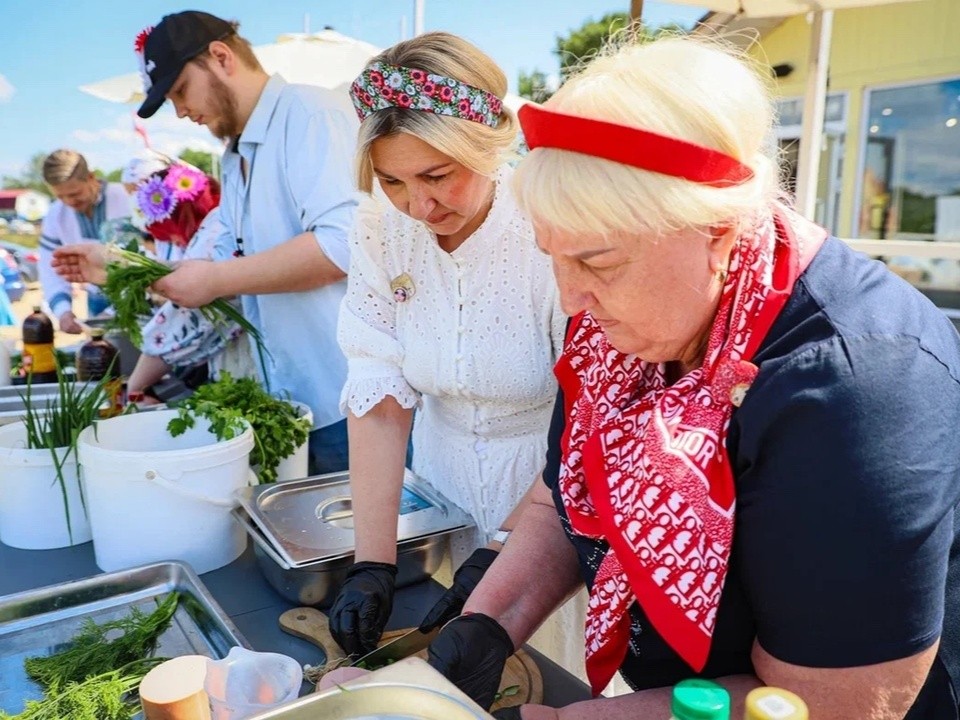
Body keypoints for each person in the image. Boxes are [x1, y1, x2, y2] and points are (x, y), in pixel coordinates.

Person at [420, 36, 960, 720]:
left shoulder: (861, 384)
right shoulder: (630, 326)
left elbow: (828, 702)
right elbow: (567, 488)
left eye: (599, 262)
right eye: (552, 256)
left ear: (719, 228)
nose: (570, 300)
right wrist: (489, 621)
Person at [326, 32, 580, 671]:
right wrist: (374, 561)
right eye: (392, 180)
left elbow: (588, 415)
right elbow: (378, 387)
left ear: (489, 145)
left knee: (541, 670)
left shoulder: (548, 226)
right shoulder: (383, 231)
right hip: (439, 490)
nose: (419, 205)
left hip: (551, 495)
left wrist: (505, 551)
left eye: (438, 175)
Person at [133, 10, 359, 473]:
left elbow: (344, 245)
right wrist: (152, 275)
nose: (180, 111)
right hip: (294, 402)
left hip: (350, 399)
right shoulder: (234, 155)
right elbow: (232, 261)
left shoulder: (310, 114)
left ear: (220, 57)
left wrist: (216, 278)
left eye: (179, 91)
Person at [51, 164, 255, 396]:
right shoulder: (218, 221)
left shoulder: (213, 232)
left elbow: (179, 318)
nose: (172, 242)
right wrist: (118, 266)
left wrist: (135, 388)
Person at [38, 149, 131, 333]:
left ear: (90, 177)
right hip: (95, 302)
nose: (68, 202)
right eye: (60, 196)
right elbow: (50, 266)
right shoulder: (55, 214)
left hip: (137, 299)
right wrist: (63, 311)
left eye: (74, 193)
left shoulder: (126, 198)